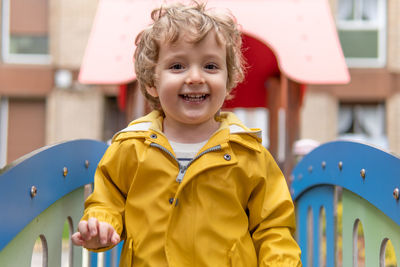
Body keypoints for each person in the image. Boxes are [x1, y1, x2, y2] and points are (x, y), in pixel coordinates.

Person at [72, 1, 302, 266]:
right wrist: (101, 225)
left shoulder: (247, 153)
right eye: (178, 66)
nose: (195, 77)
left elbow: (273, 226)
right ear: (152, 83)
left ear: (228, 83)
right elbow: (107, 201)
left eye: (211, 67)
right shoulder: (131, 147)